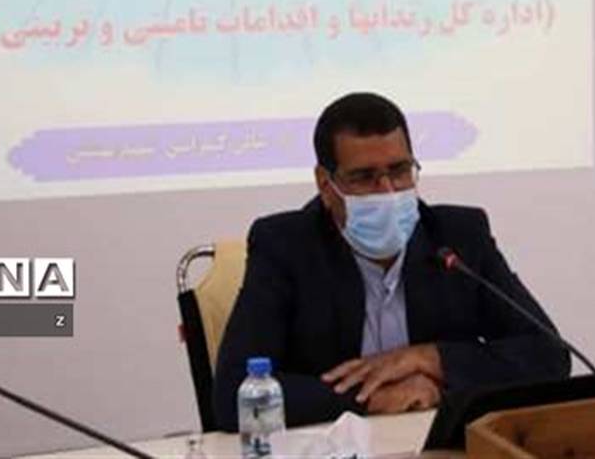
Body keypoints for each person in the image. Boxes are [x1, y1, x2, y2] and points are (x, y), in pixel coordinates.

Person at [213, 92, 569, 430]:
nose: (388, 190)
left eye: (399, 171)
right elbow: (233, 394)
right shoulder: (285, 247)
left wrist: (430, 359)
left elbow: (549, 356)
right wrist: (370, 399)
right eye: (364, 177)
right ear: (325, 184)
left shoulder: (458, 238)